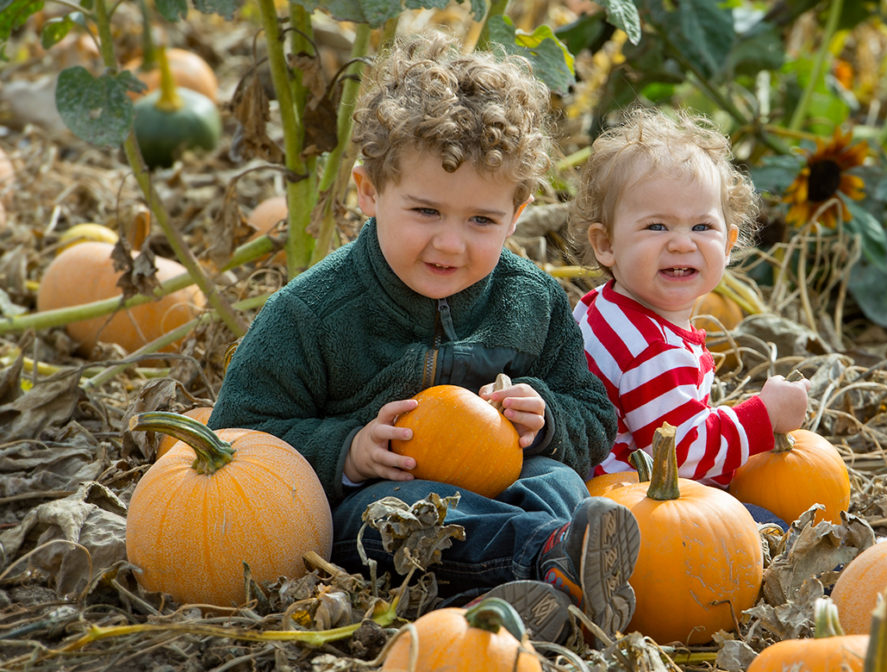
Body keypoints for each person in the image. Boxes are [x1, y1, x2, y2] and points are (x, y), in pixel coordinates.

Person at [208, 32, 638, 643]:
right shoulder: (313, 313)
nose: (450, 244)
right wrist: (349, 452)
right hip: (387, 503)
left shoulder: (532, 300)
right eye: (426, 212)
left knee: (559, 481)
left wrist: (544, 418)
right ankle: (549, 569)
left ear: (518, 214)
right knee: (386, 519)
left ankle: (529, 587)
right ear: (368, 191)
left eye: (482, 221)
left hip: (510, 486)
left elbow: (594, 415)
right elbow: (238, 436)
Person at [569, 106, 810, 516]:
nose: (682, 243)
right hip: (626, 503)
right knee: (769, 522)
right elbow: (683, 456)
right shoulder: (653, 349)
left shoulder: (602, 307)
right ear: (606, 244)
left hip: (600, 488)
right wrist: (763, 416)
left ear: (729, 243)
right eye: (657, 227)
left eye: (702, 227)